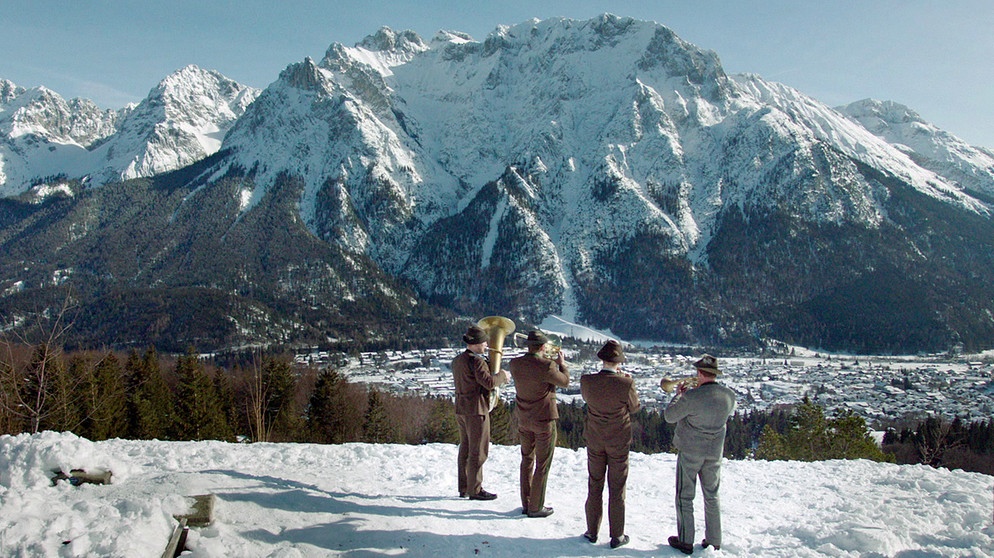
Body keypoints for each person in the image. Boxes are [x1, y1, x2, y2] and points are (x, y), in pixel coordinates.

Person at [663, 354, 737, 554]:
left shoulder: (691, 397)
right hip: (715, 452)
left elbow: (670, 416)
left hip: (690, 451)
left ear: (699, 373)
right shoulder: (729, 395)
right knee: (711, 495)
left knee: (685, 496)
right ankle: (714, 540)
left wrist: (679, 395)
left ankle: (686, 540)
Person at [580, 340, 640, 549]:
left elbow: (588, 399)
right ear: (618, 362)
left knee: (594, 484)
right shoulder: (626, 383)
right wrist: (627, 382)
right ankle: (617, 535)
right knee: (617, 488)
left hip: (595, 439)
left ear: (602, 360)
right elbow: (634, 408)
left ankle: (591, 531)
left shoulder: (587, 381)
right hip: (619, 441)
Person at [509, 330, 570, 518]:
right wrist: (563, 365)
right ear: (543, 347)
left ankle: (526, 503)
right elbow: (565, 382)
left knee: (526, 459)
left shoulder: (514, 363)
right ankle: (536, 506)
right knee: (542, 463)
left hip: (523, 419)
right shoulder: (548, 366)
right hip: (544, 420)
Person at [452, 324, 509, 501]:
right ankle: (475, 489)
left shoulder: (458, 360)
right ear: (476, 343)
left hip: (461, 408)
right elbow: (489, 383)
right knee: (479, 450)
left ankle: (464, 487)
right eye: (484, 342)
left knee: (466, 448)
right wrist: (503, 376)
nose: (486, 345)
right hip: (476, 409)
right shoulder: (476, 361)